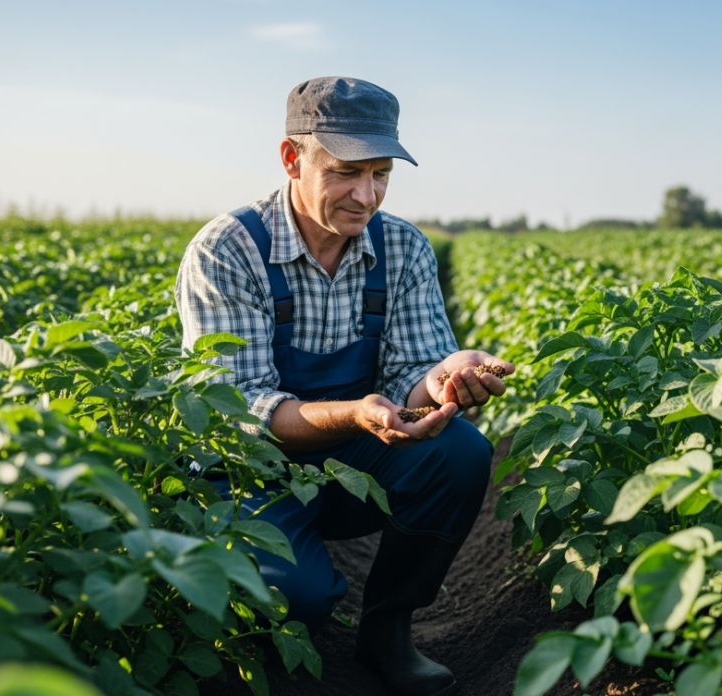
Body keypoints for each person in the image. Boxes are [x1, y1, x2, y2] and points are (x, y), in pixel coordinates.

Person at [174, 76, 510, 696]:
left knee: (459, 451)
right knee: (291, 598)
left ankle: (388, 629)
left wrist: (440, 381)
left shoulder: (402, 247)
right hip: (251, 469)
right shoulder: (229, 250)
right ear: (291, 158)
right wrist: (355, 413)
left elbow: (411, 374)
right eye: (346, 173)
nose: (367, 195)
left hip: (353, 457)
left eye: (381, 173)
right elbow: (236, 408)